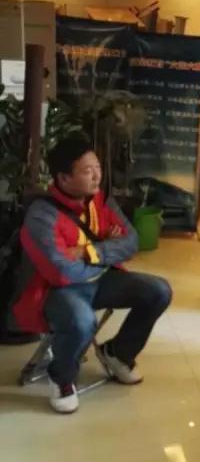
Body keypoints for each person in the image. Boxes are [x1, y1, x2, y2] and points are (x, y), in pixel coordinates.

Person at [12, 136, 172, 414]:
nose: (97, 175)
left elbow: (131, 241)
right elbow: (61, 271)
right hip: (60, 290)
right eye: (87, 171)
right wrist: (109, 249)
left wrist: (88, 252)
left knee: (158, 291)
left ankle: (118, 354)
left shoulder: (100, 200)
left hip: (102, 279)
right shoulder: (42, 215)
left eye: (97, 167)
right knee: (81, 321)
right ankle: (62, 378)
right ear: (63, 178)